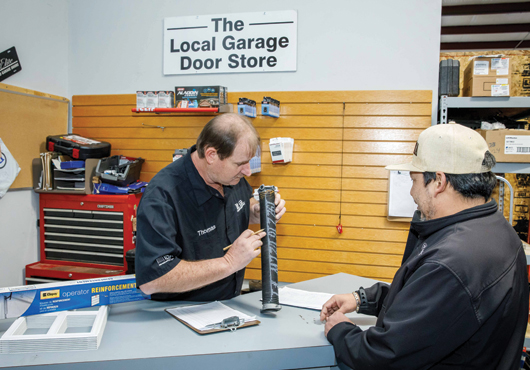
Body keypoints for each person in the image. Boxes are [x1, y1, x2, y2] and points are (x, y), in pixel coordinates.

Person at [320, 123, 529, 369]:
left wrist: (341, 329)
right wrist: (363, 299)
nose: (411, 191)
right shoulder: (494, 228)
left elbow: (382, 357)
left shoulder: (454, 261)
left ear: (438, 181)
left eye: (414, 180)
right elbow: (432, 311)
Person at [135, 113, 286, 301]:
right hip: (177, 315)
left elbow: (235, 208)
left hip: (228, 306)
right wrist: (229, 263)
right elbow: (153, 280)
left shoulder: (231, 177)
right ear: (211, 155)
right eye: (240, 164)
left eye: (249, 162)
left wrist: (256, 211)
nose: (247, 171)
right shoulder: (162, 196)